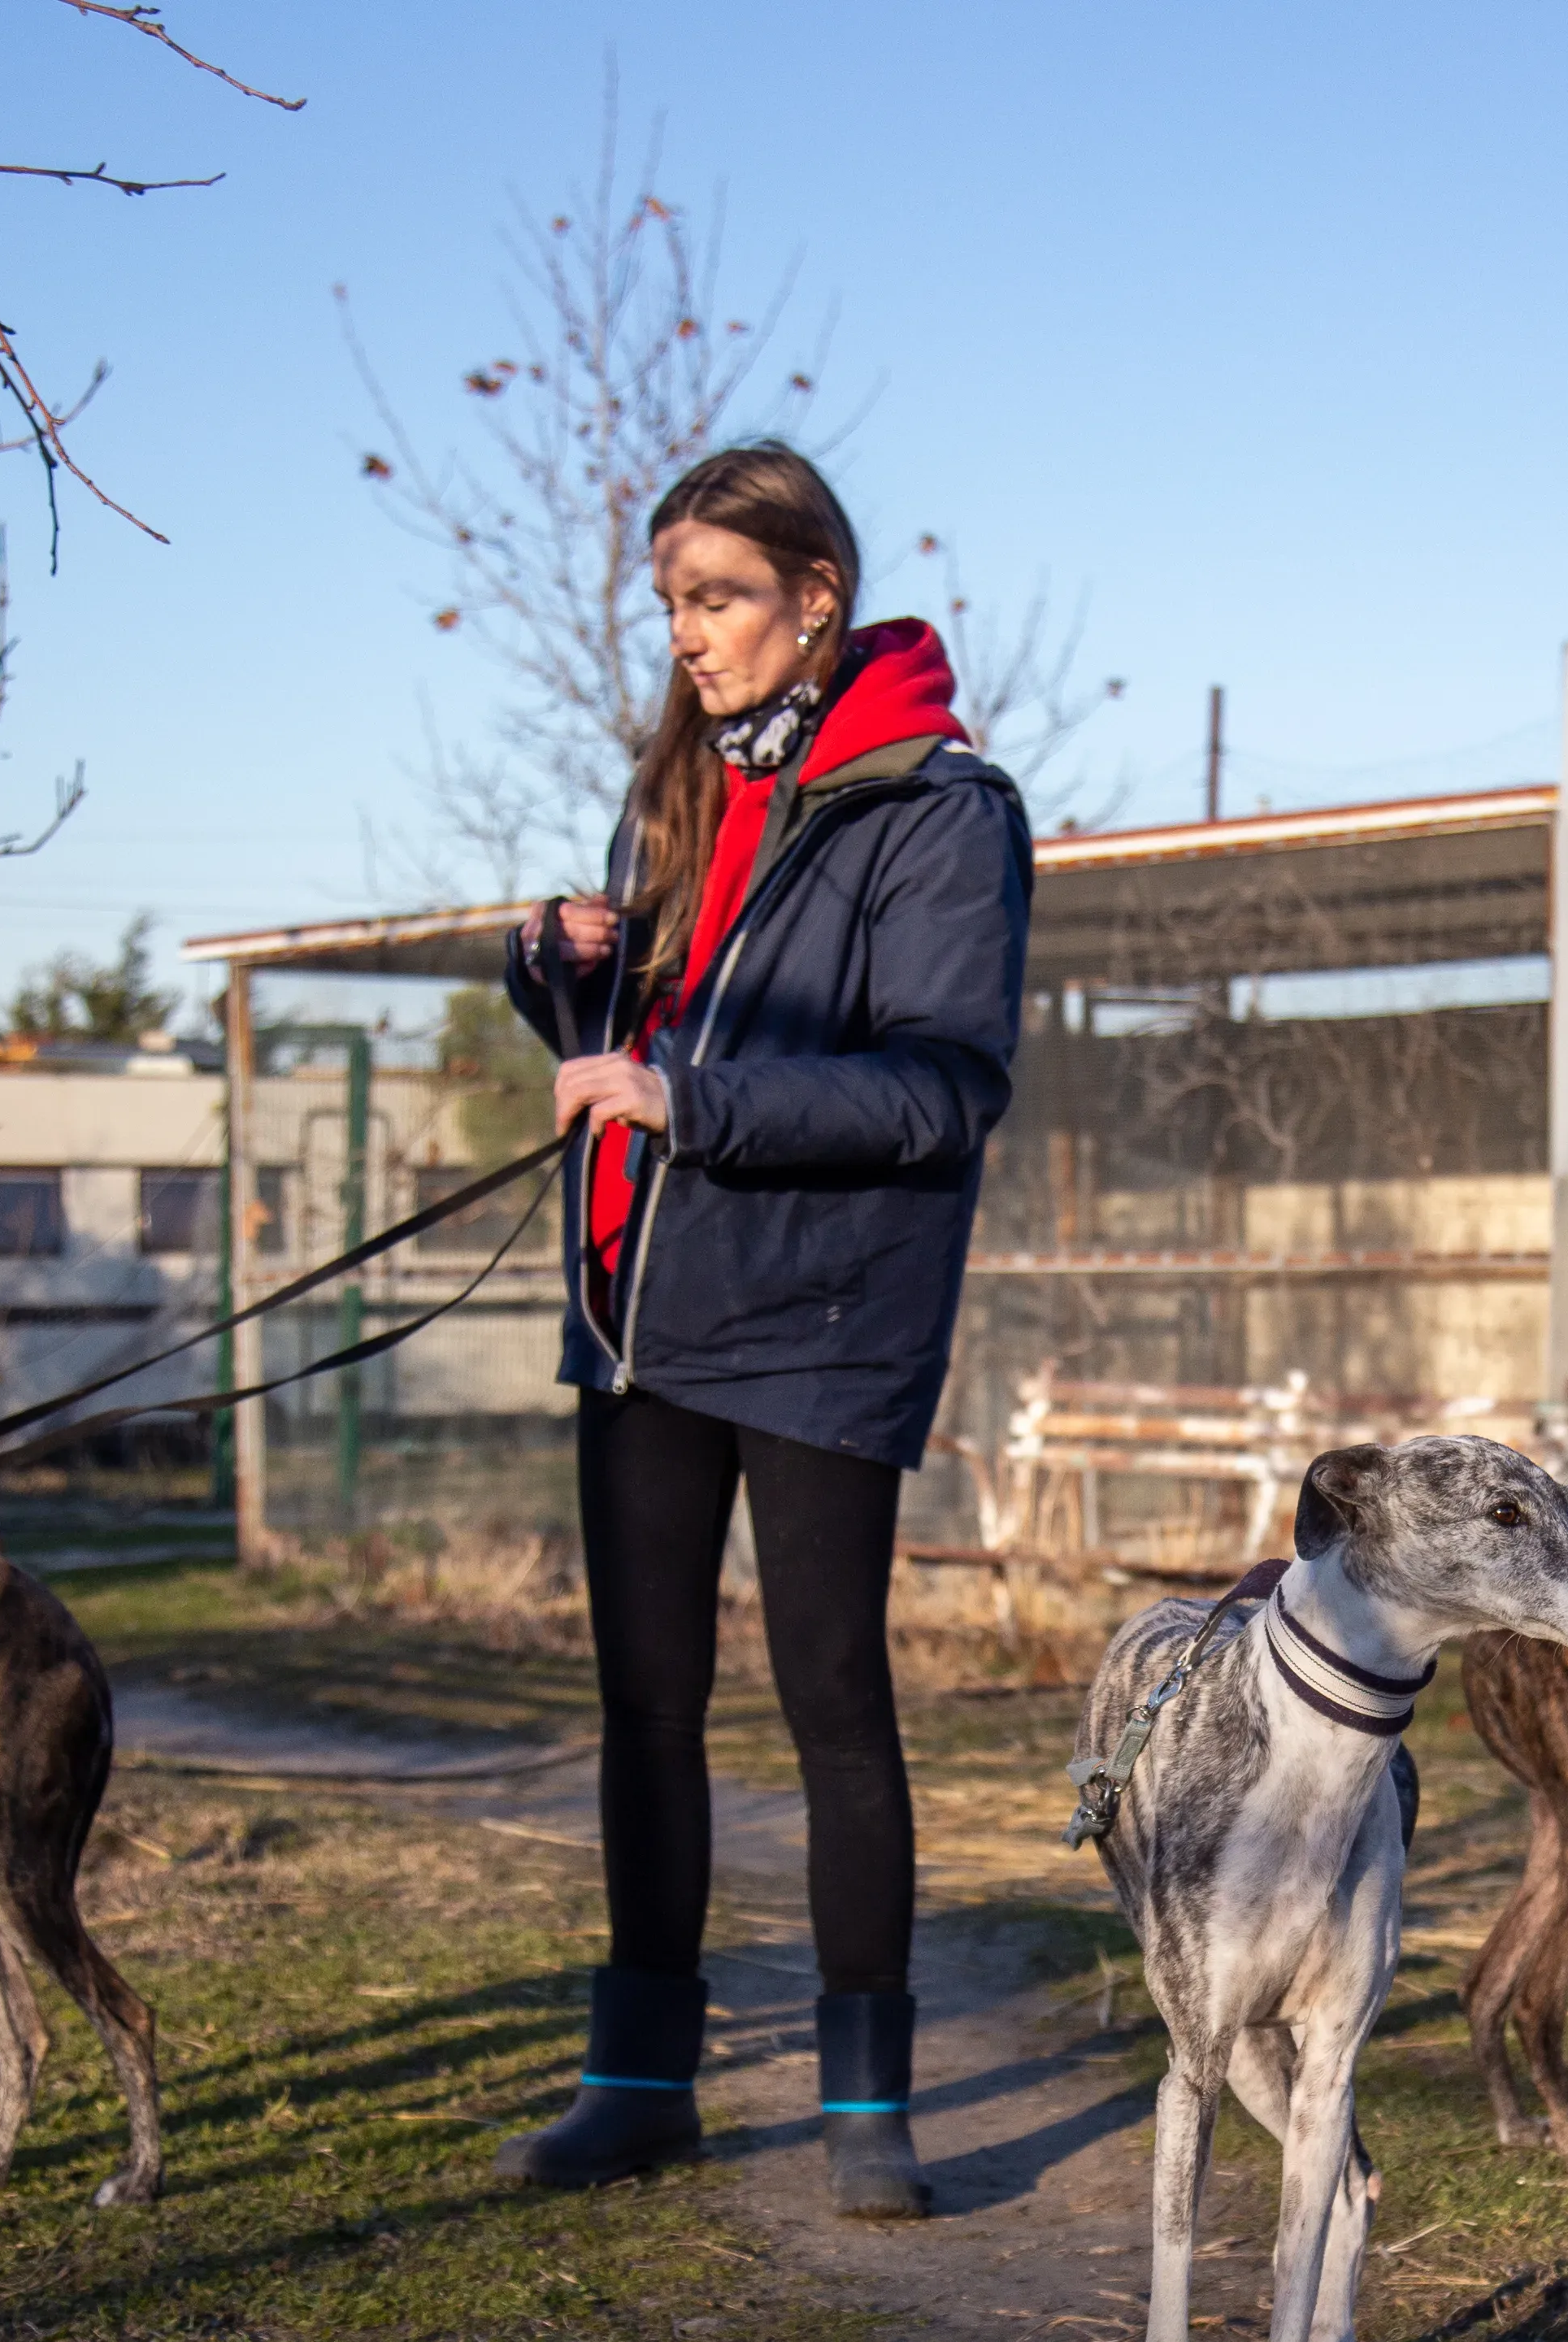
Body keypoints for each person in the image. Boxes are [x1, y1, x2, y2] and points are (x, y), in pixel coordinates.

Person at [486, 443, 1031, 2218]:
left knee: (832, 1706)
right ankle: (640, 2080)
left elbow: (940, 1091)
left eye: (714, 600)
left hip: (820, 1322)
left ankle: (869, 2108)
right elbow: (651, 1031)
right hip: (644, 1313)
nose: (687, 639)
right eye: (669, 606)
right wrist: (563, 976)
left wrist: (688, 1097)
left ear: (815, 598)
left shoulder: (937, 807)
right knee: (646, 1707)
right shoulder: (702, 791)